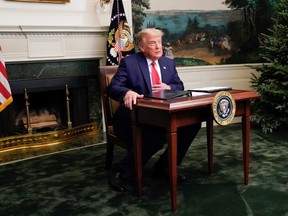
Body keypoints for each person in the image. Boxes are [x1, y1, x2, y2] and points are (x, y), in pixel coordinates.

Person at [106, 28, 201, 192]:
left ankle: (163, 167)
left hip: (161, 115)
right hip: (131, 116)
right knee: (156, 136)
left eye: (160, 42)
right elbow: (113, 87)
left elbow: (180, 87)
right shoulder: (130, 63)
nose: (159, 47)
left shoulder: (168, 63)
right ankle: (120, 170)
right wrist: (127, 92)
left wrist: (169, 87)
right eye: (153, 43)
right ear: (142, 47)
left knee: (192, 124)